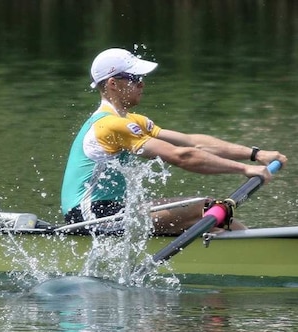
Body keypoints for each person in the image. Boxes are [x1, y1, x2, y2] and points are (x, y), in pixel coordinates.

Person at [60, 47, 287, 234]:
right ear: (112, 84)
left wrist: (255, 154)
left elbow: (190, 142)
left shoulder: (131, 120)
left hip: (116, 209)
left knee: (212, 217)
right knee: (205, 208)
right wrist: (245, 169)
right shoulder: (110, 124)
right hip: (89, 217)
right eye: (135, 79)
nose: (142, 84)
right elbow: (181, 156)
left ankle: (250, 246)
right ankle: (257, 253)